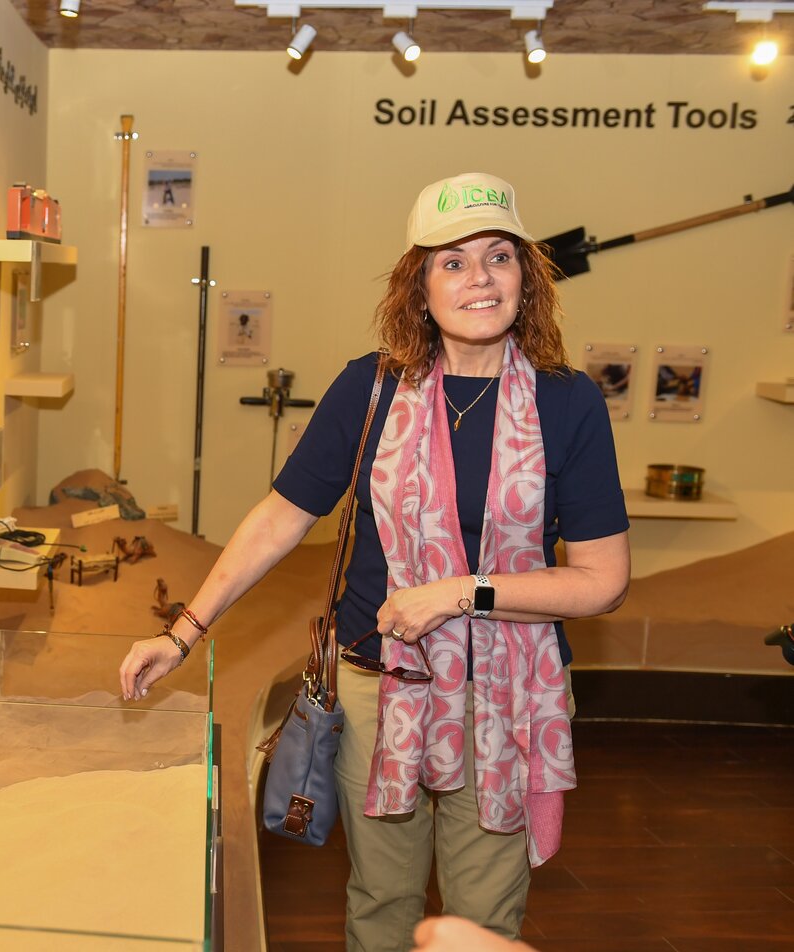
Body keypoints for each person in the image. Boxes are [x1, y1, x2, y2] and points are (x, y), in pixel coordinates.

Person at [119, 172, 630, 950]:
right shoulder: (371, 388)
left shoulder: (568, 403)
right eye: (451, 262)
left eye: (498, 256)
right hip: (375, 690)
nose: (479, 278)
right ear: (418, 286)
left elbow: (602, 581)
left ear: (527, 277)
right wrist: (181, 632)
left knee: (478, 924)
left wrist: (459, 593)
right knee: (379, 905)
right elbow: (278, 519)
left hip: (509, 696)